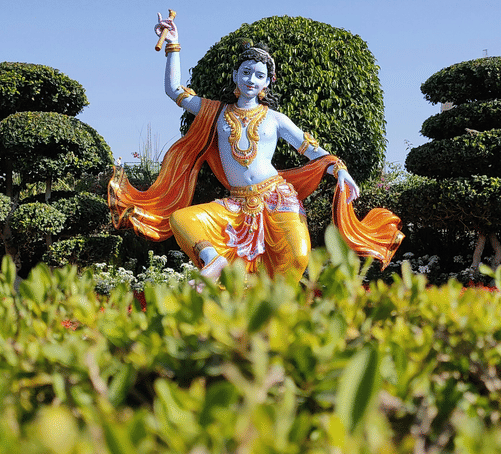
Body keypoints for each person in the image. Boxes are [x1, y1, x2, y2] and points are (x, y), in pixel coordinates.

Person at [108, 13, 403, 284]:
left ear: (267, 83)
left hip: (277, 198)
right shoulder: (216, 111)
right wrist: (173, 46)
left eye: (259, 75)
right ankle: (215, 262)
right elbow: (175, 91)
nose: (251, 80)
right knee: (181, 219)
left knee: (298, 257)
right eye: (246, 72)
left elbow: (312, 149)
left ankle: (277, 318)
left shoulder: (275, 119)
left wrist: (339, 170)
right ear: (236, 75)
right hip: (237, 205)